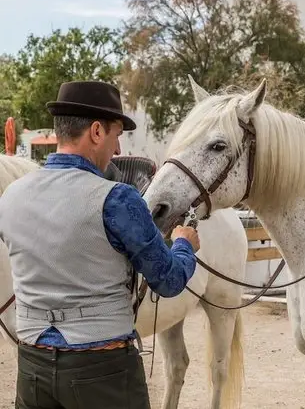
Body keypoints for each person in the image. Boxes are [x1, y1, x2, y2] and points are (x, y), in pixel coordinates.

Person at [0, 81, 200, 409]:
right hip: (101, 373)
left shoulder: (11, 197)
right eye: (116, 135)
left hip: (32, 366)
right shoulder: (117, 198)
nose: (118, 150)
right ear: (96, 131)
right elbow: (168, 280)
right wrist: (183, 245)